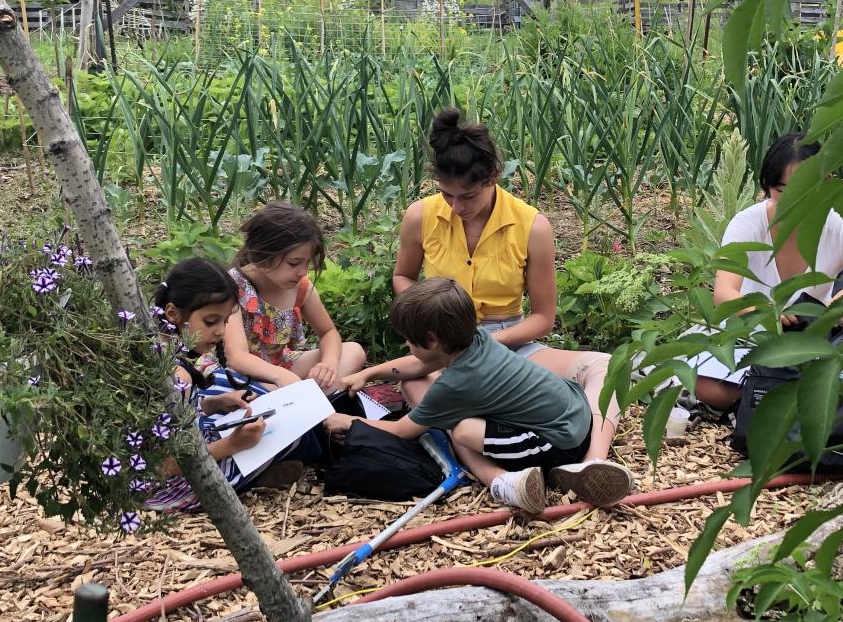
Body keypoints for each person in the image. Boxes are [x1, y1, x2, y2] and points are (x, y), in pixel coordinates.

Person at [342, 108, 625, 469]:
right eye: (447, 195)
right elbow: (403, 277)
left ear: (493, 176)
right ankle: (493, 475)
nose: (457, 206)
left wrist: (488, 344)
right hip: (443, 342)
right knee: (419, 388)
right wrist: (429, 315)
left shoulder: (531, 225)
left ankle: (593, 462)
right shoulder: (420, 215)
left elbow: (542, 317)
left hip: (510, 340)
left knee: (607, 364)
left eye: (468, 196)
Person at [326, 279, 634, 512]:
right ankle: (571, 466)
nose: (407, 345)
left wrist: (348, 420)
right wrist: (368, 373)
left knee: (461, 430)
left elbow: (403, 430)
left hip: (555, 440)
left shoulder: (455, 384)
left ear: (432, 339)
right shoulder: (476, 339)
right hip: (574, 413)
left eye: (409, 340)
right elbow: (420, 363)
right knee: (450, 408)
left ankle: (501, 483)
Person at [686, 133, 843, 411]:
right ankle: (778, 395)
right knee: (705, 385)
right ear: (768, 186)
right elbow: (723, 294)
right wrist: (768, 313)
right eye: (782, 191)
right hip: (749, 335)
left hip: (808, 344)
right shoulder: (748, 224)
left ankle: (770, 398)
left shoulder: (839, 225)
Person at [145, 258, 319, 512]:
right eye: (210, 321)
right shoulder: (176, 374)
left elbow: (173, 418)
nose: (220, 332)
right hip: (169, 487)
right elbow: (160, 465)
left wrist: (213, 404)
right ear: (173, 313)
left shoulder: (162, 352)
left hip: (186, 448)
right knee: (282, 433)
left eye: (225, 322)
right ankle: (254, 478)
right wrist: (232, 445)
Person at [222, 202, 366, 393]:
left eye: (307, 263)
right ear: (263, 253)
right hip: (241, 373)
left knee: (353, 352)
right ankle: (307, 404)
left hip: (283, 366)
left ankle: (302, 404)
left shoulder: (300, 288)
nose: (302, 272)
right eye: (294, 263)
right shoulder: (231, 287)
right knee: (255, 388)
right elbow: (236, 357)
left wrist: (328, 363)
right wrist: (279, 376)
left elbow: (328, 332)